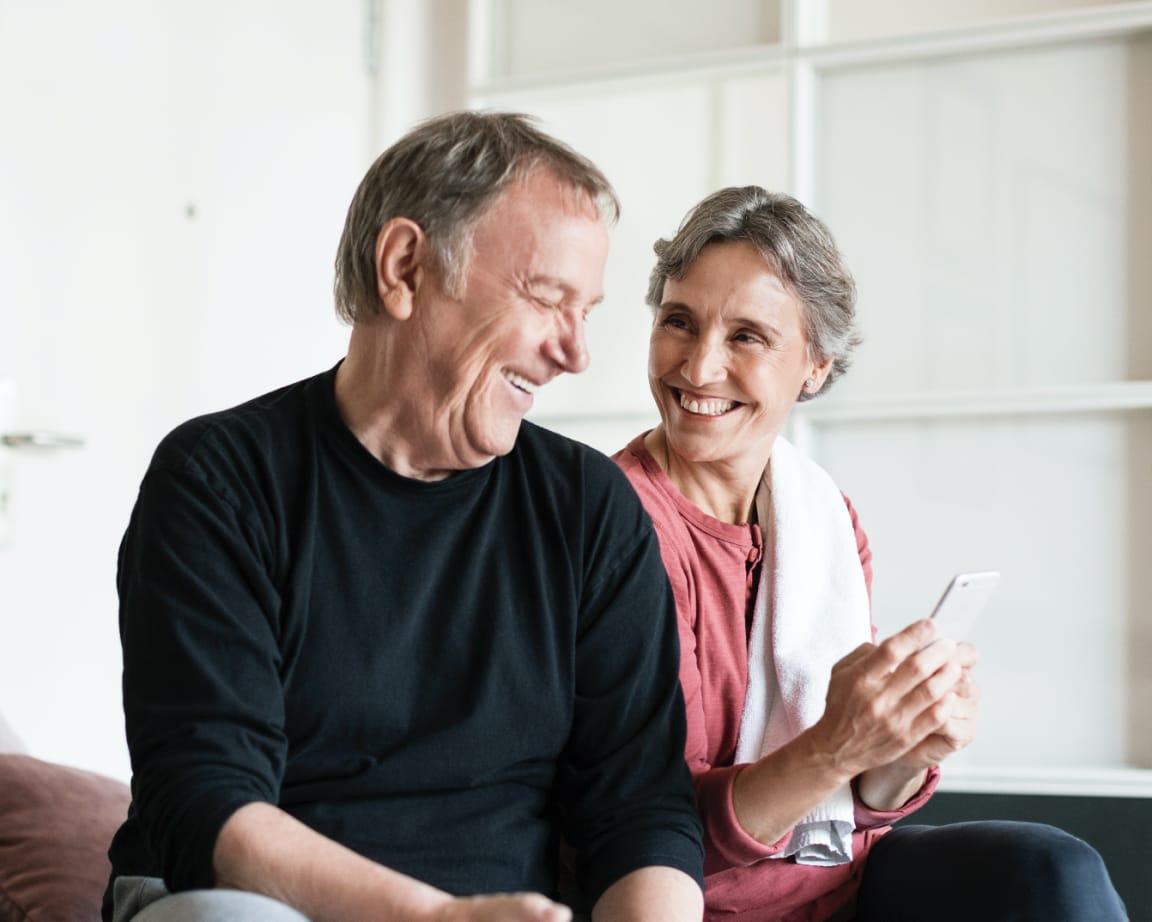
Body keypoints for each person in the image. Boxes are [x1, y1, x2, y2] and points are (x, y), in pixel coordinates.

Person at [103, 111, 705, 922]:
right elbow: (206, 805)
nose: (575, 352)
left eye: (586, 311)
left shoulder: (590, 510)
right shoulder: (219, 480)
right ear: (406, 267)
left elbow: (639, 810)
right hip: (245, 902)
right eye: (545, 298)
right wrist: (430, 919)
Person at [613, 185, 1127, 922]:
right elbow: (644, 832)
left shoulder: (818, 514)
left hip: (843, 890)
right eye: (679, 322)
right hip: (704, 902)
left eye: (747, 337)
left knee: (1056, 869)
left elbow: (857, 809)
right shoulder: (613, 526)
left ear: (815, 366)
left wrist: (906, 742)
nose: (698, 367)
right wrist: (836, 744)